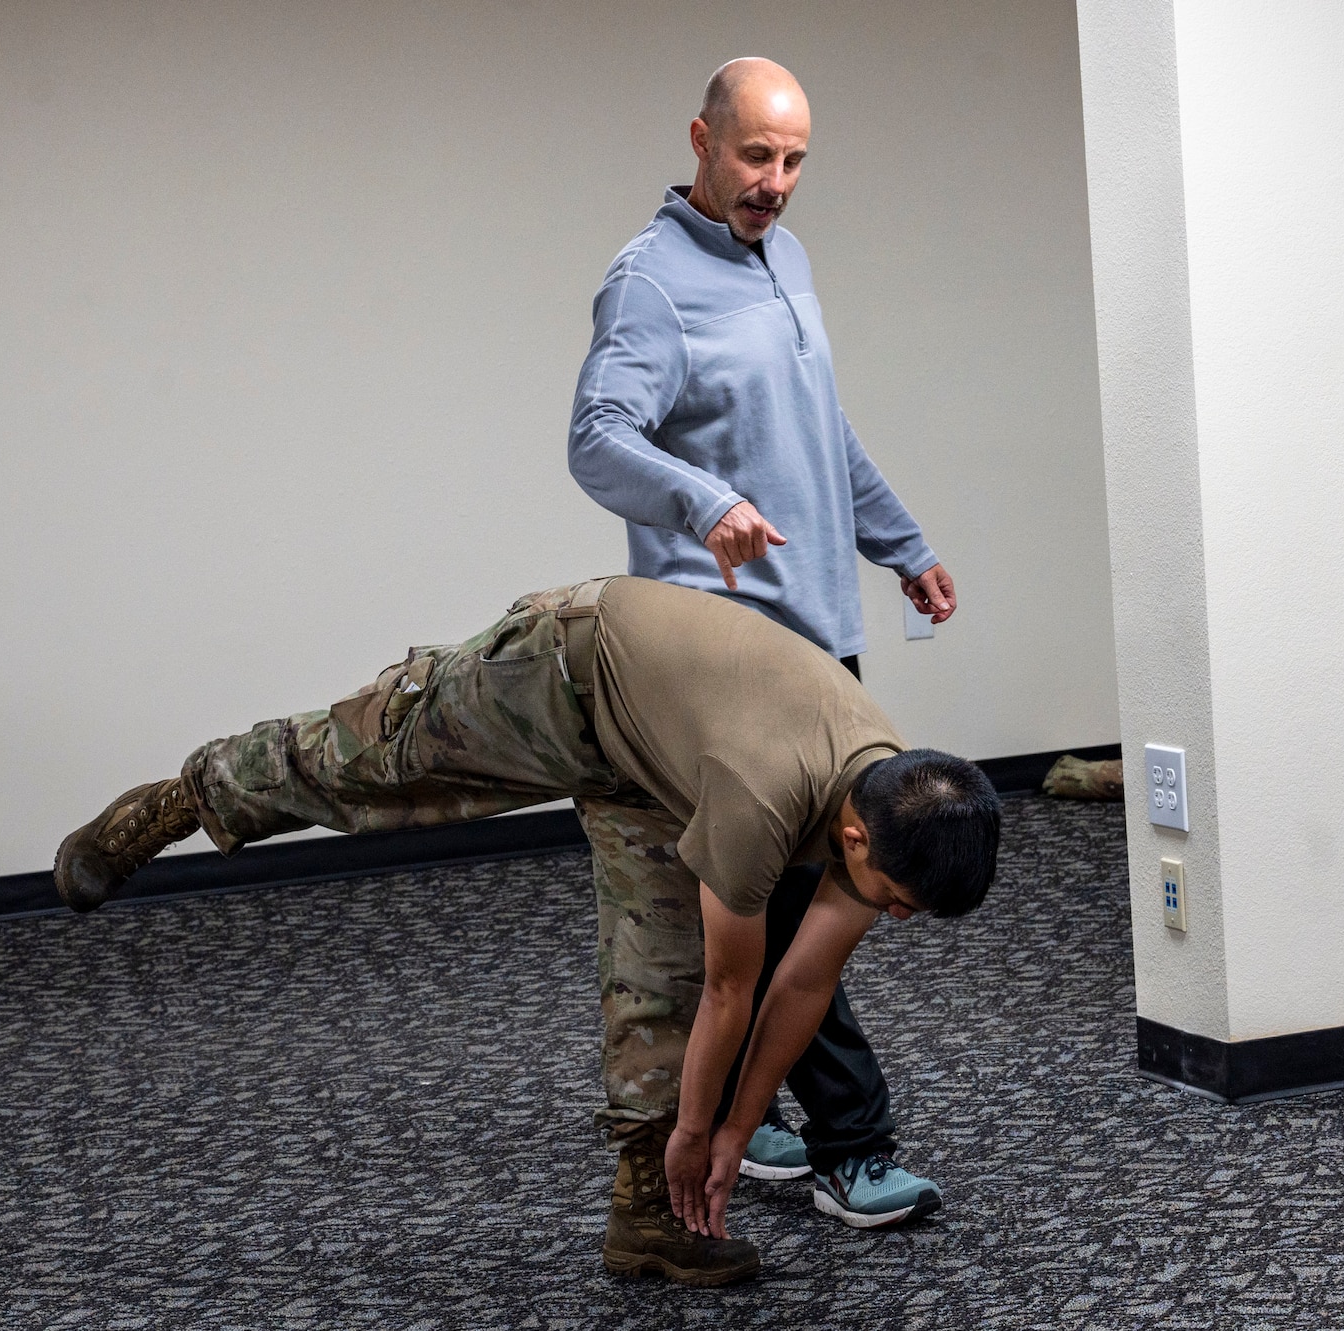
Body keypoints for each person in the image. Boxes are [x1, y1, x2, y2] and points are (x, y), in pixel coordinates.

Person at [53, 575, 999, 1286]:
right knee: (370, 767)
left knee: (656, 967)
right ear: (852, 835)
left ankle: (649, 1214)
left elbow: (800, 985)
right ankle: (190, 795)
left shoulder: (893, 800)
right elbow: (736, 989)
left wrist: (731, 1130)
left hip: (659, 760)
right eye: (900, 900)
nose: (898, 917)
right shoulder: (766, 799)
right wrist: (704, 1127)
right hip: (560, 670)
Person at [566, 57, 956, 1227]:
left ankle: (766, 1114)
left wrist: (900, 540)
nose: (774, 182)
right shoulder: (648, 284)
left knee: (788, 898)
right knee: (797, 905)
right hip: (726, 659)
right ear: (699, 139)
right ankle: (850, 1141)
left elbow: (817, 430)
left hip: (820, 640)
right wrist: (702, 502)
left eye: (791, 161)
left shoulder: (782, 259)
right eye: (752, 156)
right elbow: (596, 437)